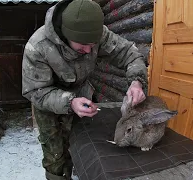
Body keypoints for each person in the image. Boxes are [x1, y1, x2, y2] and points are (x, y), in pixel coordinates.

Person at [22, 0, 148, 179]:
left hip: (82, 95)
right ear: (66, 36)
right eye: (82, 46)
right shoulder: (38, 46)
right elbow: (35, 91)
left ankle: (76, 173)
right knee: (55, 153)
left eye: (93, 44)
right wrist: (70, 102)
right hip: (47, 102)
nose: (89, 51)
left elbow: (129, 52)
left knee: (80, 142)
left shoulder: (98, 34)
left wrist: (137, 81)